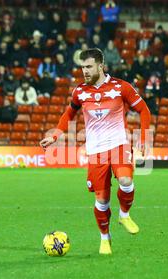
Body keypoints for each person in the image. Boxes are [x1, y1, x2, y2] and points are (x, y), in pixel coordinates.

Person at [39, 48, 151, 255]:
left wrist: (144, 138)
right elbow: (68, 114)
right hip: (96, 151)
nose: (85, 71)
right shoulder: (80, 92)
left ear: (101, 66)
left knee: (126, 182)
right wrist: (54, 136)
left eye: (89, 67)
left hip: (119, 145)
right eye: (83, 67)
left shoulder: (121, 87)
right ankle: (105, 238)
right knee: (102, 200)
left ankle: (124, 214)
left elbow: (144, 110)